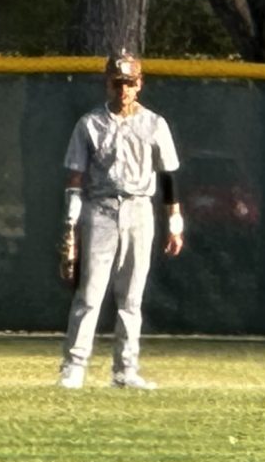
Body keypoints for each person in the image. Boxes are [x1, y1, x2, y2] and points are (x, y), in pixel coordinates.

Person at [57, 52, 182, 390]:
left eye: (129, 83)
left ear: (139, 85)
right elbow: (75, 178)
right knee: (91, 292)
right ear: (107, 84)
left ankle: (125, 369)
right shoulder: (90, 123)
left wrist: (174, 222)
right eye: (117, 83)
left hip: (140, 208)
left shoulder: (154, 123)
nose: (123, 89)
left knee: (131, 295)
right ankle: (75, 366)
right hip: (101, 208)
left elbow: (168, 175)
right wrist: (71, 225)